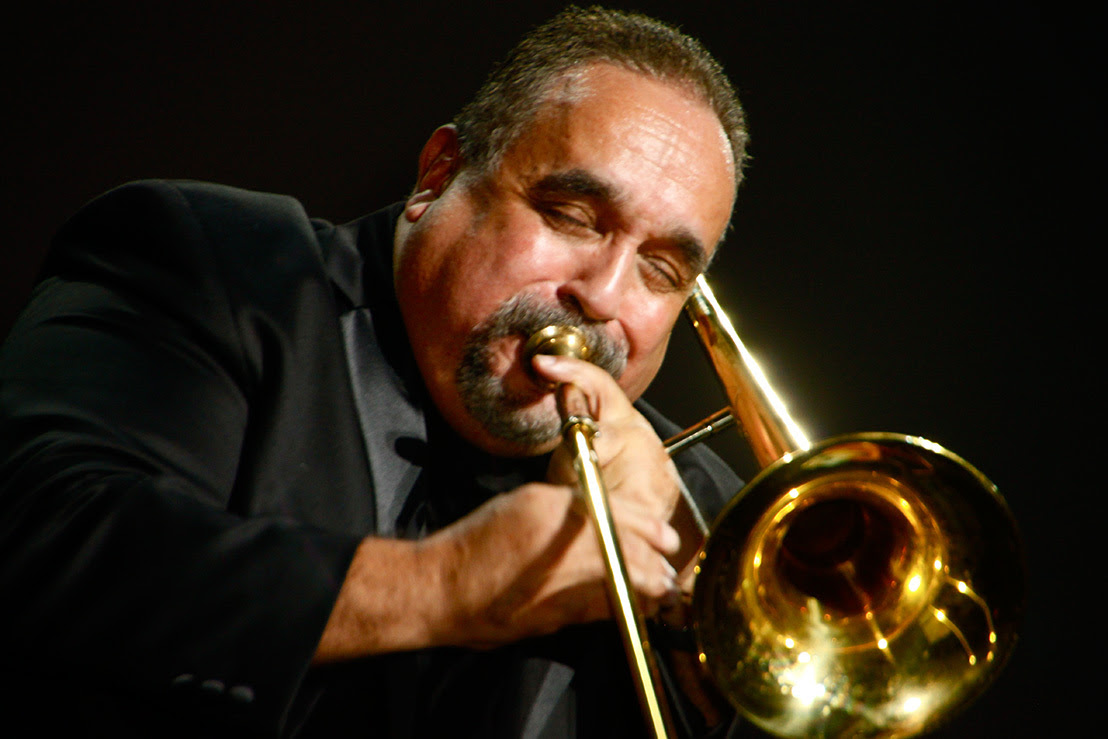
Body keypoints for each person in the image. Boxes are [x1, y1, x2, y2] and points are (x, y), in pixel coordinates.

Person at [0, 6, 751, 737]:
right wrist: (445, 583)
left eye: (660, 270)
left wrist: (700, 649)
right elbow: (44, 533)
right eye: (572, 216)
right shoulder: (209, 264)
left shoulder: (701, 516)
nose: (605, 295)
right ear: (439, 175)